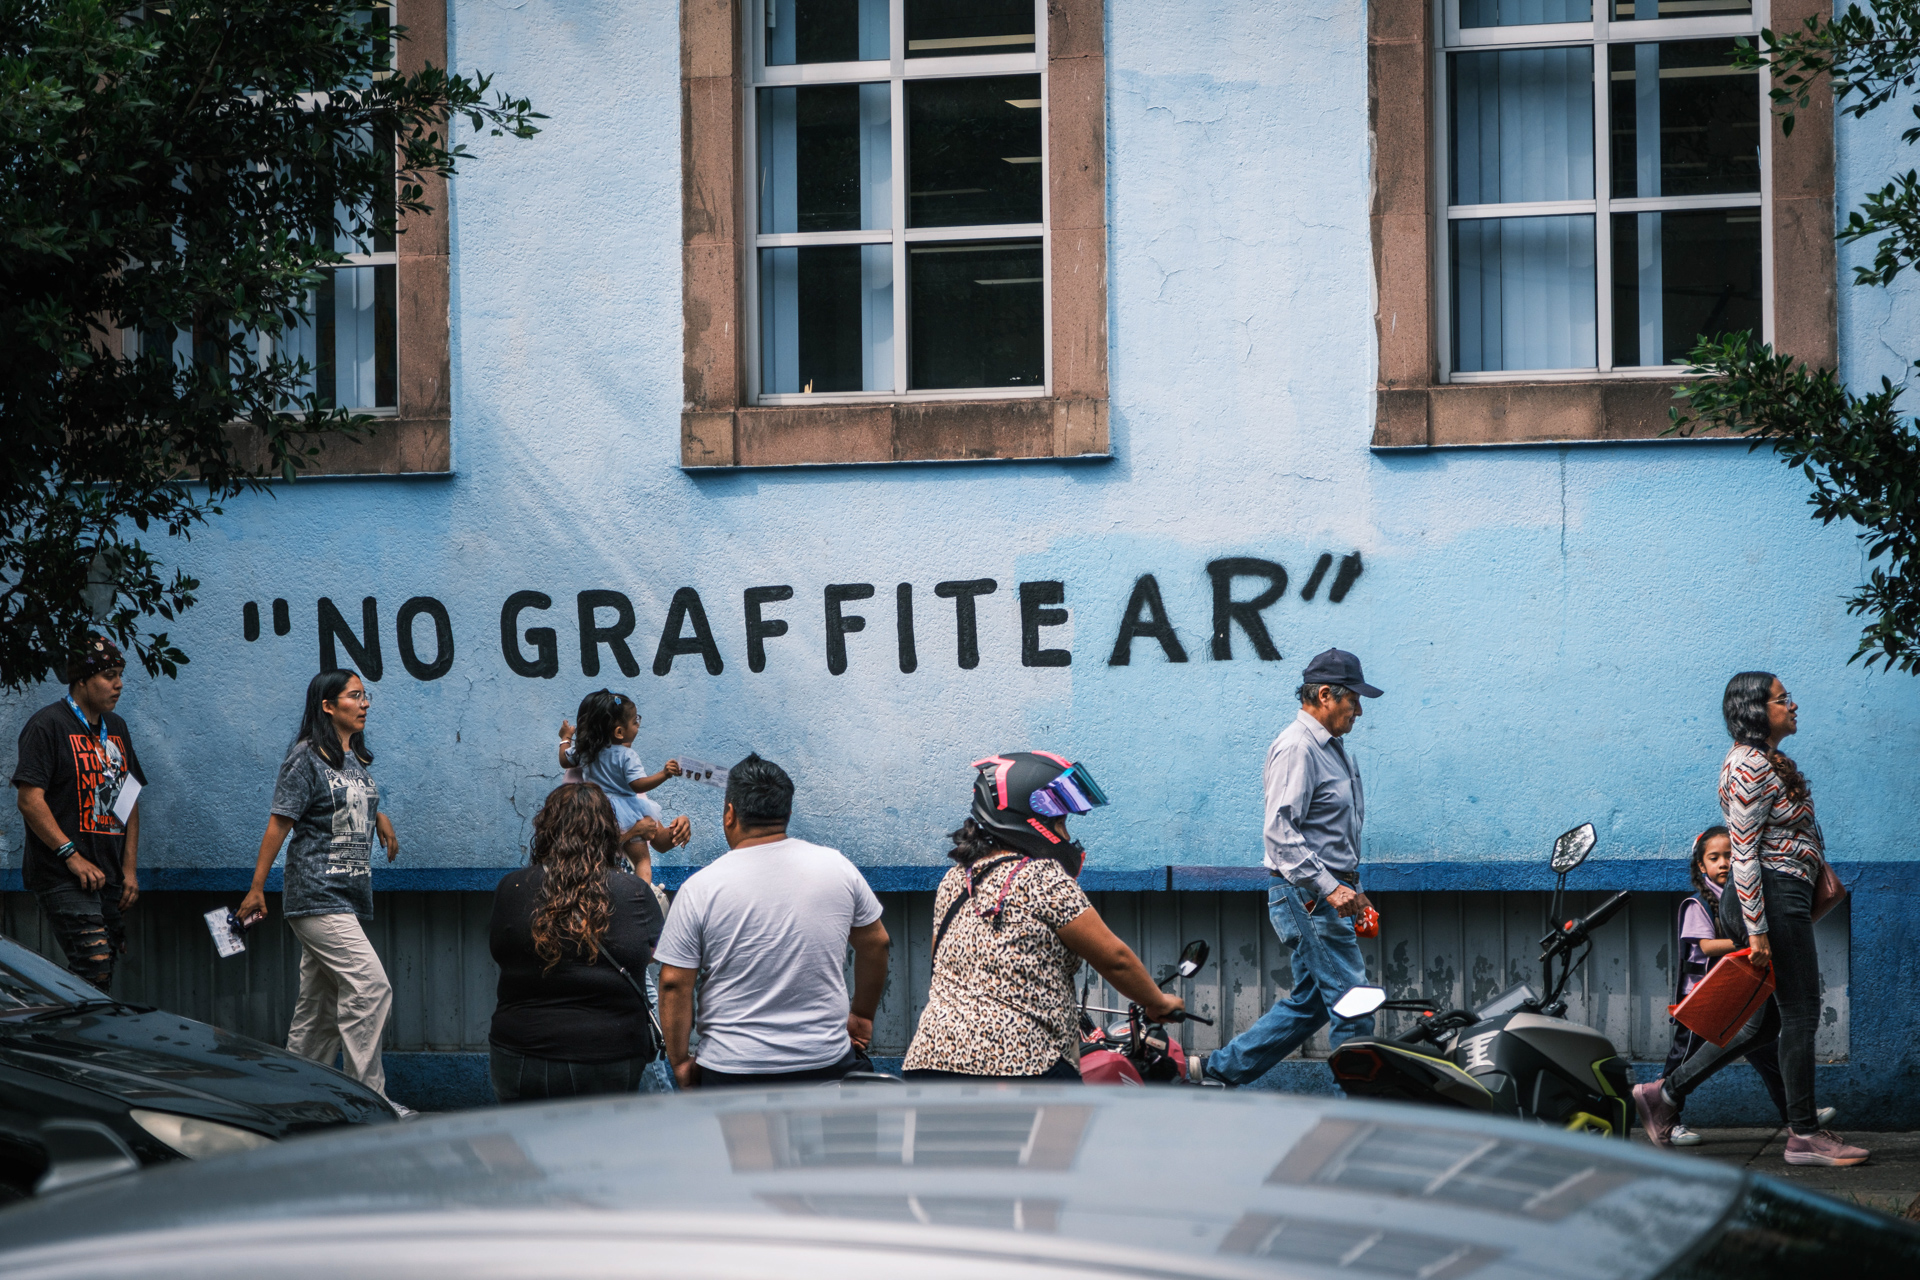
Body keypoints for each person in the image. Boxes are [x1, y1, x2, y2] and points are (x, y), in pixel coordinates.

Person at [1635, 674, 1866, 1166]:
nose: (1794, 704)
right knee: (1802, 1010)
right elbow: (1742, 854)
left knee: (1765, 1025)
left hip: (1783, 894)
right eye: (1783, 699)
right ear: (1757, 710)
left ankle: (1665, 1094)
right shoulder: (1746, 765)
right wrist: (1758, 931)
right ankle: (1803, 1136)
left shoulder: (1768, 761)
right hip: (1768, 895)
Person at [902, 752, 1182, 1081]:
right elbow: (1115, 959)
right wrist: (1157, 1001)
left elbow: (939, 963)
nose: (1066, 836)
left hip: (930, 1062)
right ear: (1026, 816)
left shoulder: (954, 881)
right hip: (1021, 1064)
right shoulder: (1042, 877)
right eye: (1060, 823)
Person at [1203, 649, 1382, 1087]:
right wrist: (1330, 887)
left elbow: (1328, 836)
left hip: (1325, 893)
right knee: (1352, 1000)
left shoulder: (1334, 750)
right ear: (1324, 695)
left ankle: (1217, 1071)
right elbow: (1280, 833)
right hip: (1307, 895)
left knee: (1312, 1004)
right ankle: (1358, 1111)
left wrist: (1351, 888)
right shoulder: (1298, 748)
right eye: (1352, 699)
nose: (1359, 709)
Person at [655, 754, 889, 1088]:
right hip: (824, 1065)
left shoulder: (700, 888)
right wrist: (862, 1015)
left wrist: (679, 1062)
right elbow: (877, 943)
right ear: (787, 813)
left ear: (730, 814)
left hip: (730, 1071)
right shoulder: (836, 868)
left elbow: (675, 981)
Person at [238, 670, 408, 1113]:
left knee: (318, 1011)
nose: (365, 702)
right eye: (354, 696)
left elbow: (345, 804)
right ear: (328, 706)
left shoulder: (352, 760)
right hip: (317, 894)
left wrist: (380, 817)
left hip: (345, 897)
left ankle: (292, 1104)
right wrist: (257, 887)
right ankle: (370, 1103)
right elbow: (280, 821)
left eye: (365, 695)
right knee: (370, 989)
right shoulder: (305, 757)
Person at [488, 783, 664, 1102]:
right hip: (611, 1054)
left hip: (521, 1053)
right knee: (602, 1148)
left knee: (528, 1149)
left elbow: (500, 952)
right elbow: (651, 956)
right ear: (608, 832)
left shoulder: (512, 888)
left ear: (546, 829)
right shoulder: (634, 892)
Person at [1657, 827, 1830, 1145]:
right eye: (1714, 858)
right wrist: (1749, 941)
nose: (1723, 863)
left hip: (1739, 993)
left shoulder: (1741, 900)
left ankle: (1796, 1117)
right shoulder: (1699, 905)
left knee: (1768, 1055)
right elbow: (1706, 948)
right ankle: (1667, 1118)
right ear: (1701, 866)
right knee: (1684, 1058)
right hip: (1705, 996)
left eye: (1730, 856)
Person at [10, 636, 145, 991]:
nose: (118, 684)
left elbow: (129, 799)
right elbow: (29, 800)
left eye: (120, 675)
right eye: (108, 675)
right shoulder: (48, 726)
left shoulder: (116, 728)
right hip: (63, 874)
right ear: (82, 681)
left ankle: (87, 1041)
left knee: (104, 969)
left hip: (109, 874)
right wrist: (70, 855)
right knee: (93, 964)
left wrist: (129, 869)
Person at [559, 690, 690, 882]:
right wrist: (633, 832)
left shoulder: (613, 773)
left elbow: (659, 840)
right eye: (635, 721)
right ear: (618, 732)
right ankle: (641, 898)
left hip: (621, 892)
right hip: (590, 891)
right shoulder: (573, 789)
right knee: (642, 862)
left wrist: (679, 827)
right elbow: (581, 852)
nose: (637, 727)